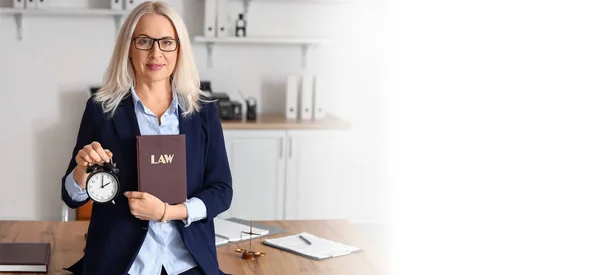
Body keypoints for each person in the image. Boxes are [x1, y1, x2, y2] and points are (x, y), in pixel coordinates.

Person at [60, 1, 233, 275]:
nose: (156, 53)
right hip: (120, 263)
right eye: (144, 41)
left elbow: (221, 192)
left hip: (188, 262)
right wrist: (81, 172)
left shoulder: (203, 112)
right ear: (129, 47)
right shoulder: (101, 110)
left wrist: (167, 212)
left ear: (179, 49)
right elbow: (72, 197)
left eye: (166, 42)